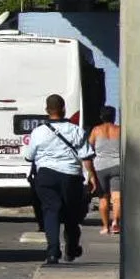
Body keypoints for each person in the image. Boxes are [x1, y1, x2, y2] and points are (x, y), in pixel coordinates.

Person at [21, 93, 98, 266]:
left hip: (46, 176)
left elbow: (29, 156)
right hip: (71, 176)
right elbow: (86, 156)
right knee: (71, 214)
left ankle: (53, 252)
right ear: (64, 109)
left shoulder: (38, 132)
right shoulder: (76, 130)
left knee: (50, 211)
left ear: (47, 110)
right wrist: (92, 176)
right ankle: (71, 248)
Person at [88, 106, 122, 235]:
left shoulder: (96, 130)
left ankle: (105, 226)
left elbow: (89, 147)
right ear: (114, 117)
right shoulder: (119, 130)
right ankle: (115, 223)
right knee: (117, 197)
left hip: (100, 167)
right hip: (117, 165)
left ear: (101, 117)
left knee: (103, 197)